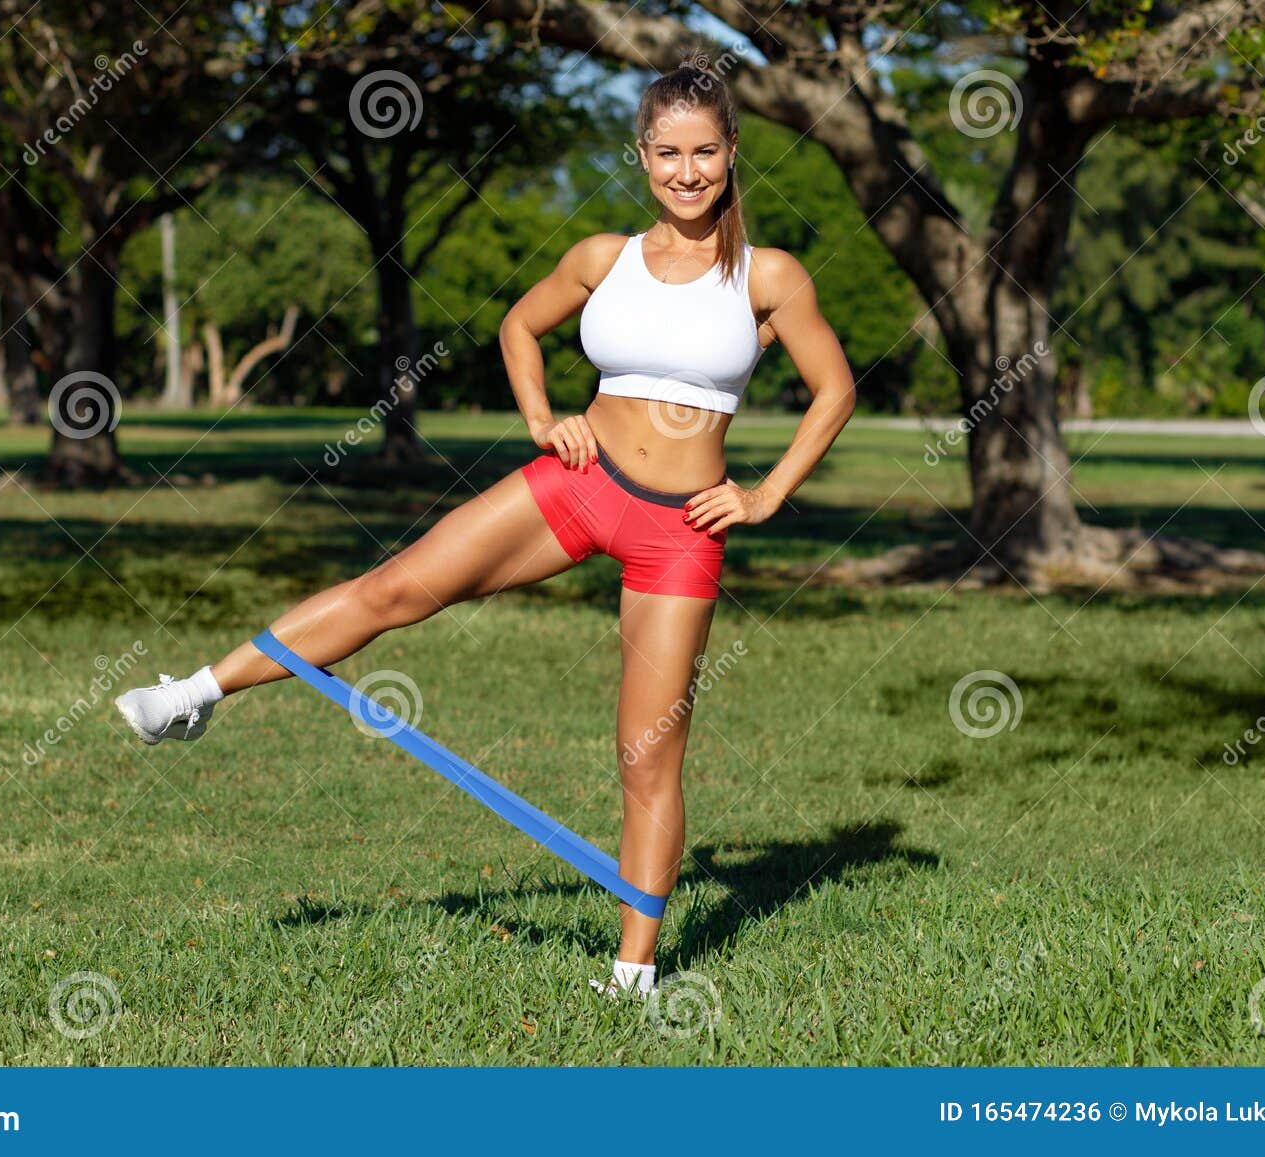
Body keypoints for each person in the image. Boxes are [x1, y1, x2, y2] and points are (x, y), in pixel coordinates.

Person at [116, 54, 856, 1001]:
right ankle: (199, 692)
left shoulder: (768, 275)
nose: (687, 171)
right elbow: (517, 327)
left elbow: (833, 388)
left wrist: (765, 494)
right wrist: (545, 419)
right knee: (393, 588)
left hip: (682, 527)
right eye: (668, 152)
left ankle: (631, 972)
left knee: (647, 749)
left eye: (704, 151)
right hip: (580, 484)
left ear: (730, 152)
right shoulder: (604, 259)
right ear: (642, 155)